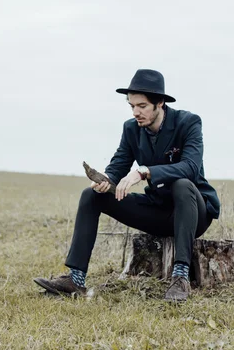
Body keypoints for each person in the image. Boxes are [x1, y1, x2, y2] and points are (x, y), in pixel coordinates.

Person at [34, 69, 221, 302]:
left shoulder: (188, 123)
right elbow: (119, 164)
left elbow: (191, 167)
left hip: (193, 213)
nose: (135, 112)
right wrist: (105, 181)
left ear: (160, 103)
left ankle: (181, 277)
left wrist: (144, 172)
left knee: (182, 185)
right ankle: (75, 279)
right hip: (156, 212)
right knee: (90, 196)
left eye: (142, 106)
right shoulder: (131, 128)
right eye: (132, 106)